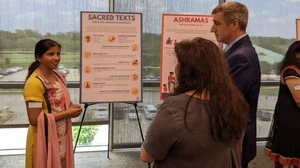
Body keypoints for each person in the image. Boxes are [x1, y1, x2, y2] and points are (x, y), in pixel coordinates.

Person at [140, 37, 249, 168]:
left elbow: (146, 156)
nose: (176, 68)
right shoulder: (235, 103)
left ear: (187, 71)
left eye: (179, 63)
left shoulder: (174, 109)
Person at [211, 2, 261, 168]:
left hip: (235, 141)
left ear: (234, 24)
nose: (212, 29)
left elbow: (226, 101)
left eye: (217, 24)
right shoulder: (236, 52)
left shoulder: (242, 57)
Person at [23, 39, 82, 168]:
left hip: (61, 135)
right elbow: (34, 119)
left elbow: (60, 102)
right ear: (39, 57)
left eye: (58, 53)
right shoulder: (34, 83)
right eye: (50, 54)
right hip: (43, 139)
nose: (56, 58)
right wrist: (67, 113)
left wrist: (71, 107)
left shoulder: (59, 76)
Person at [265, 41, 300, 168]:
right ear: (297, 54)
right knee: (285, 149)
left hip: (293, 116)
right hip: (289, 117)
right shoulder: (290, 71)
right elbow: (298, 98)